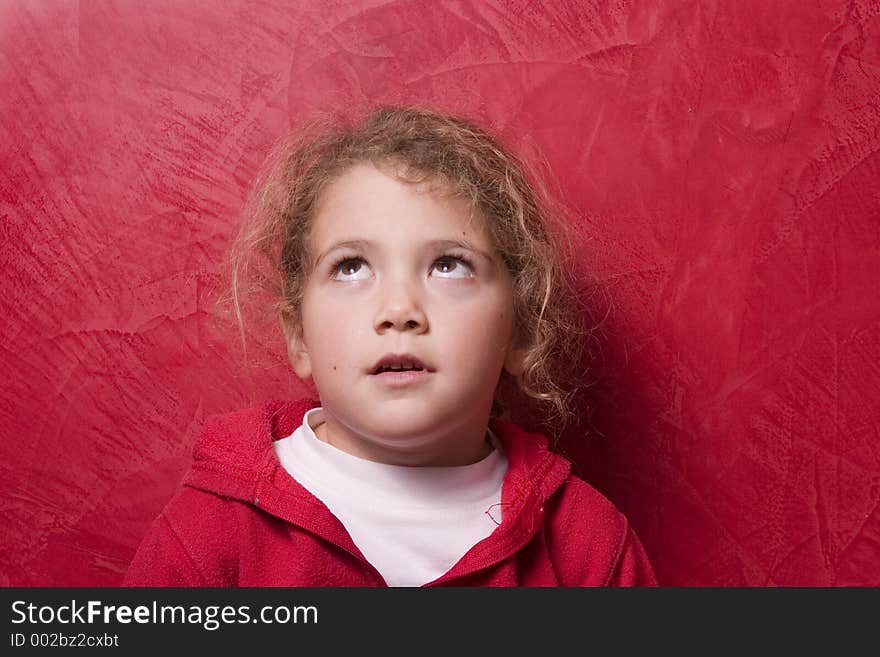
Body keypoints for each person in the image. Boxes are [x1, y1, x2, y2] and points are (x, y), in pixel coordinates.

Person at [123, 105, 657, 587]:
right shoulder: (212, 533)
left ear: (519, 329)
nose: (399, 309)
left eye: (449, 265)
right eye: (351, 267)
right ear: (299, 336)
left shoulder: (587, 546)